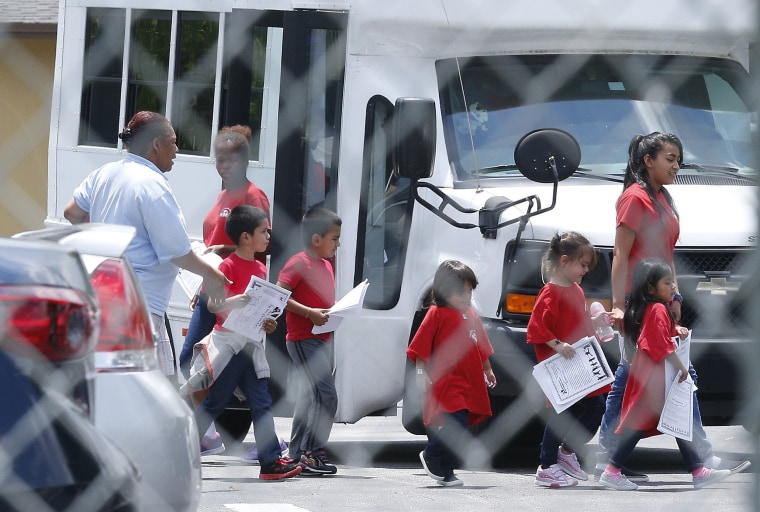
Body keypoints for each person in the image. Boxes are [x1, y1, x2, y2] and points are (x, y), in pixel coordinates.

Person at [596, 132, 750, 479]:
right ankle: (700, 459)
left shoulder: (663, 197)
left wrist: (675, 295)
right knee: (678, 376)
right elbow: (620, 256)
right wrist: (619, 305)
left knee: (627, 379)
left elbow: (667, 254)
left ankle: (608, 457)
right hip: (640, 306)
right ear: (648, 161)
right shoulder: (634, 198)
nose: (677, 166)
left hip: (659, 301)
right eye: (670, 158)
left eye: (678, 159)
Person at [63, 111, 229, 380]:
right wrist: (211, 273)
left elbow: (72, 212)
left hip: (100, 295)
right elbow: (177, 253)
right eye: (173, 142)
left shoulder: (105, 173)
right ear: (156, 145)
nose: (176, 150)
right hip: (138, 306)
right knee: (150, 393)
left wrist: (99, 242)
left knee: (109, 386)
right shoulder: (153, 185)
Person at [175, 125, 272, 456]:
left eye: (230, 159)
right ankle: (210, 431)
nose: (223, 165)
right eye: (219, 159)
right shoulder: (220, 196)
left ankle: (210, 432)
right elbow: (211, 246)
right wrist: (202, 281)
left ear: (244, 160)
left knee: (221, 363)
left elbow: (259, 248)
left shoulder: (253, 195)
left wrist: (221, 252)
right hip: (210, 290)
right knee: (193, 359)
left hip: (235, 295)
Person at [598, 259, 735, 491]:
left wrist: (675, 329)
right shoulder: (659, 309)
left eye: (673, 281)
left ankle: (698, 471)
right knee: (643, 424)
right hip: (654, 380)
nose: (673, 286)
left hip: (653, 378)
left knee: (677, 421)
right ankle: (612, 470)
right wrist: (681, 366)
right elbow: (658, 344)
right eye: (667, 282)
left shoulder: (652, 308)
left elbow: (660, 332)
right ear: (651, 288)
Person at [190, 205, 301, 480]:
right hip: (230, 346)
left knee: (261, 402)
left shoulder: (261, 268)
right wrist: (234, 302)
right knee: (215, 402)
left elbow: (260, 307)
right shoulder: (227, 266)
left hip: (252, 344)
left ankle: (271, 462)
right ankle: (180, 450)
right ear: (245, 237)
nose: (268, 236)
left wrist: (268, 322)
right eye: (263, 231)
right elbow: (214, 307)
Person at [527, 232, 612, 488]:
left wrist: (595, 323)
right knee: (562, 411)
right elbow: (536, 328)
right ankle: (546, 466)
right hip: (562, 366)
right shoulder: (550, 293)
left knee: (596, 405)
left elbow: (578, 321)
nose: (585, 270)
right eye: (582, 264)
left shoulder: (575, 289)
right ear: (564, 261)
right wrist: (557, 345)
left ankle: (566, 451)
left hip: (580, 364)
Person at [407, 260, 497, 487]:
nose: (466, 296)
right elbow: (420, 347)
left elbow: (481, 346)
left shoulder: (471, 315)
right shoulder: (437, 313)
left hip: (469, 380)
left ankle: (445, 471)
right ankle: (432, 455)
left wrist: (488, 369)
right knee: (455, 420)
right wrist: (419, 372)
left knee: (462, 423)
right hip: (446, 380)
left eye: (469, 291)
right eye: (461, 291)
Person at [275, 206, 341, 475]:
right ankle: (312, 454)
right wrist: (308, 313)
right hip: (303, 340)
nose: (338, 244)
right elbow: (278, 294)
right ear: (317, 239)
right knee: (327, 397)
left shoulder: (326, 264)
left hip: (322, 340)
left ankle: (296, 453)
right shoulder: (299, 262)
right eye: (334, 238)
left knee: (308, 397)